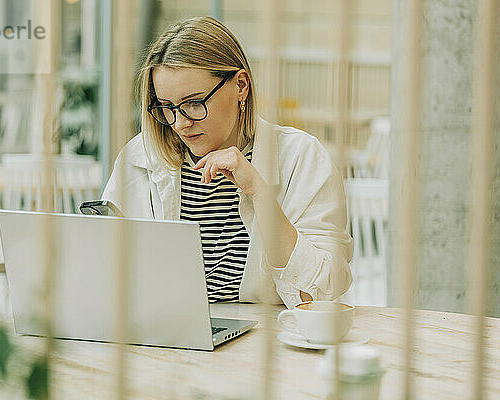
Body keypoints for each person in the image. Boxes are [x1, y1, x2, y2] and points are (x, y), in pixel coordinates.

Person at [101, 16, 352, 308]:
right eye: (168, 107)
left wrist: (259, 192)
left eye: (194, 103)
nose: (180, 124)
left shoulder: (301, 156)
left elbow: (320, 293)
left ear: (241, 86)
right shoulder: (138, 160)